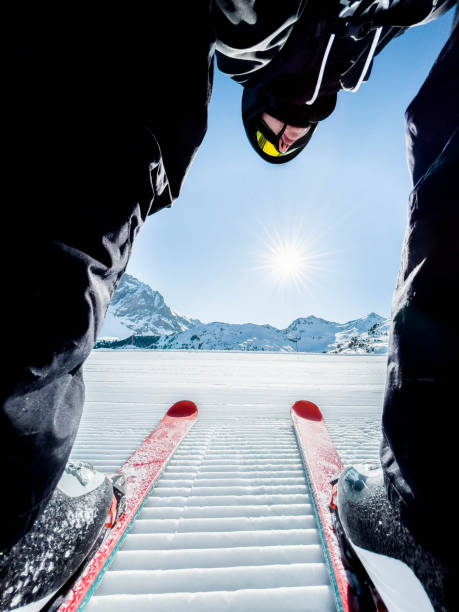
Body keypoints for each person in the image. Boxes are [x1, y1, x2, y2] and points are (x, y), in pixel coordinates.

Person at [0, 2, 456, 609]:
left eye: (288, 138)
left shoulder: (348, 48)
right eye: (274, 136)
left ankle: (437, 525)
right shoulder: (322, 49)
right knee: (92, 139)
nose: (285, 133)